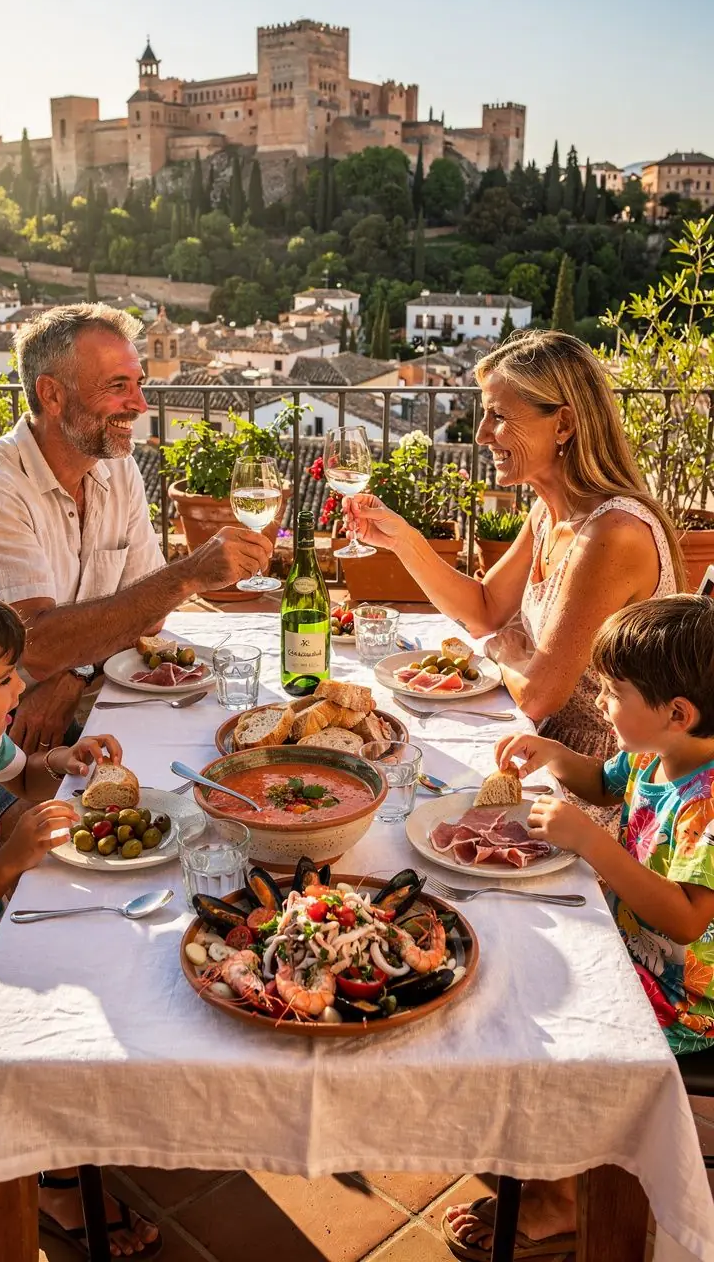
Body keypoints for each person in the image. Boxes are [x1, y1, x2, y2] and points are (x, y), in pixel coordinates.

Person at [445, 593, 714, 1258]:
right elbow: (598, 783)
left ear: (677, 713)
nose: (599, 704)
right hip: (633, 951)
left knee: (562, 1037)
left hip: (688, 998)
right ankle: (531, 1150)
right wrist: (549, 753)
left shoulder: (705, 807)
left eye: (614, 692)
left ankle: (565, 1200)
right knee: (509, 959)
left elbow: (684, 921)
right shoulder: (656, 753)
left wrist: (595, 848)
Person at [0, 580, 160, 1255]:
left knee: (106, 952)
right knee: (26, 1049)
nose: (20, 690)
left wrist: (61, 761)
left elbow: (17, 781)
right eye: (4, 677)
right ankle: (17, 1210)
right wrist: (10, 863)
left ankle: (66, 1147)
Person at [0, 303, 272, 755]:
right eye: (117, 386)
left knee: (235, 741)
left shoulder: (116, 469)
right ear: (52, 395)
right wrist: (189, 574)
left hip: (84, 700)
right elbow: (35, 646)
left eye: (139, 384)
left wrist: (75, 675)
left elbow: (151, 616)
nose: (140, 405)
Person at [346, 330, 682, 763]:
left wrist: (499, 647)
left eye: (498, 416)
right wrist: (403, 539)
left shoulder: (613, 533)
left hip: (603, 773)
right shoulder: (548, 512)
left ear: (563, 424)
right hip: (540, 740)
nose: (483, 435)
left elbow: (538, 695)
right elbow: (485, 610)